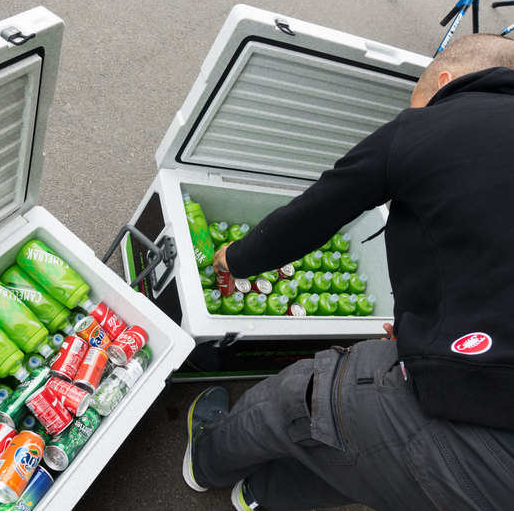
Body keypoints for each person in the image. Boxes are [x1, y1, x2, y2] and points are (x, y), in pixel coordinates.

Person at [182, 34, 514, 511]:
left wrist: (234, 259)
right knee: (368, 456)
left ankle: (204, 461)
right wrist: (425, 332)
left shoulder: (431, 125)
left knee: (306, 400)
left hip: (483, 436)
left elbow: (314, 215)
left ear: (443, 83)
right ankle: (257, 496)